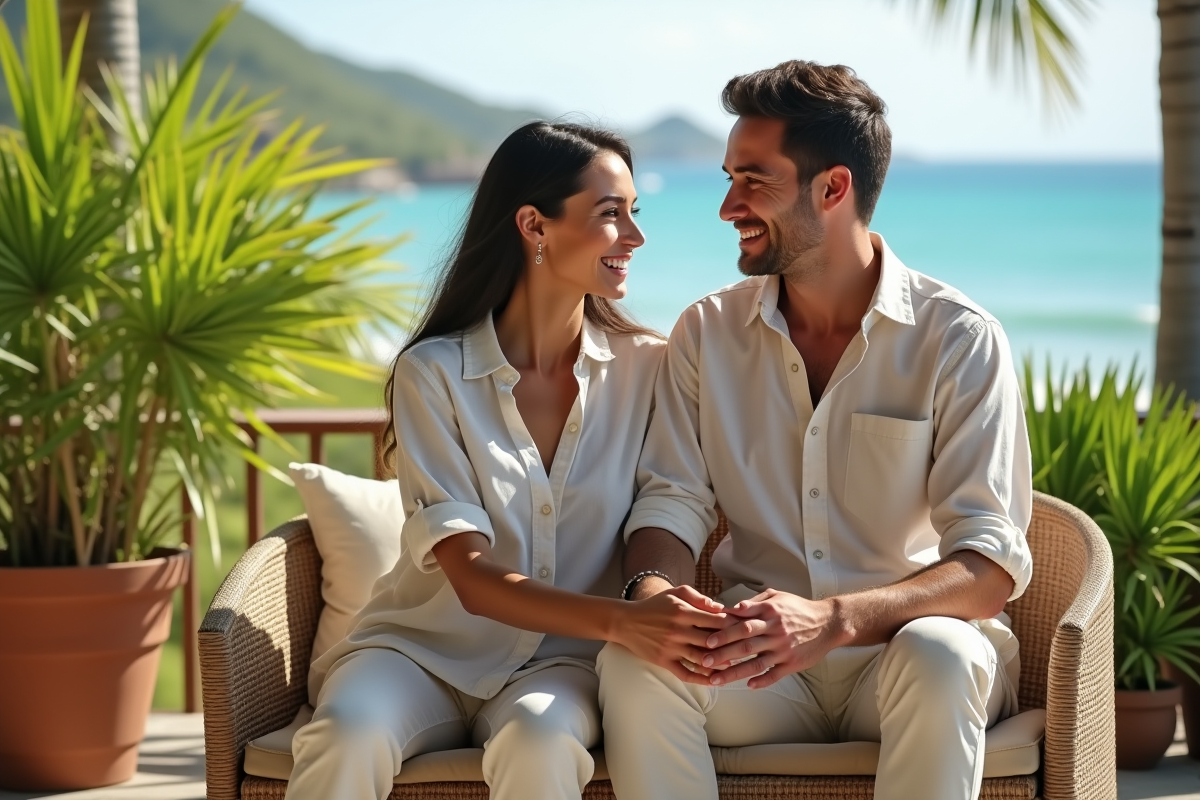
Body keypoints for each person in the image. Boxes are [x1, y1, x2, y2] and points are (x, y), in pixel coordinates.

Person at [597, 61, 1033, 800]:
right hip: (755, 665)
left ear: (833, 189)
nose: (728, 205)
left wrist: (832, 619)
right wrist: (652, 591)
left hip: (903, 654)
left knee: (943, 656)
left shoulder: (958, 338)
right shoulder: (707, 332)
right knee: (634, 663)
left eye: (753, 181)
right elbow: (670, 500)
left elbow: (988, 567)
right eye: (729, 177)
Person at [285, 122, 727, 800]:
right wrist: (623, 621)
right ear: (534, 225)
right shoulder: (432, 374)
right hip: (417, 652)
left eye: (636, 213)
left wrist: (651, 601)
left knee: (540, 741)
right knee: (347, 732)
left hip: (562, 667)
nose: (635, 237)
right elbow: (472, 577)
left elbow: (670, 501)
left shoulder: (652, 369)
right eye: (612, 215)